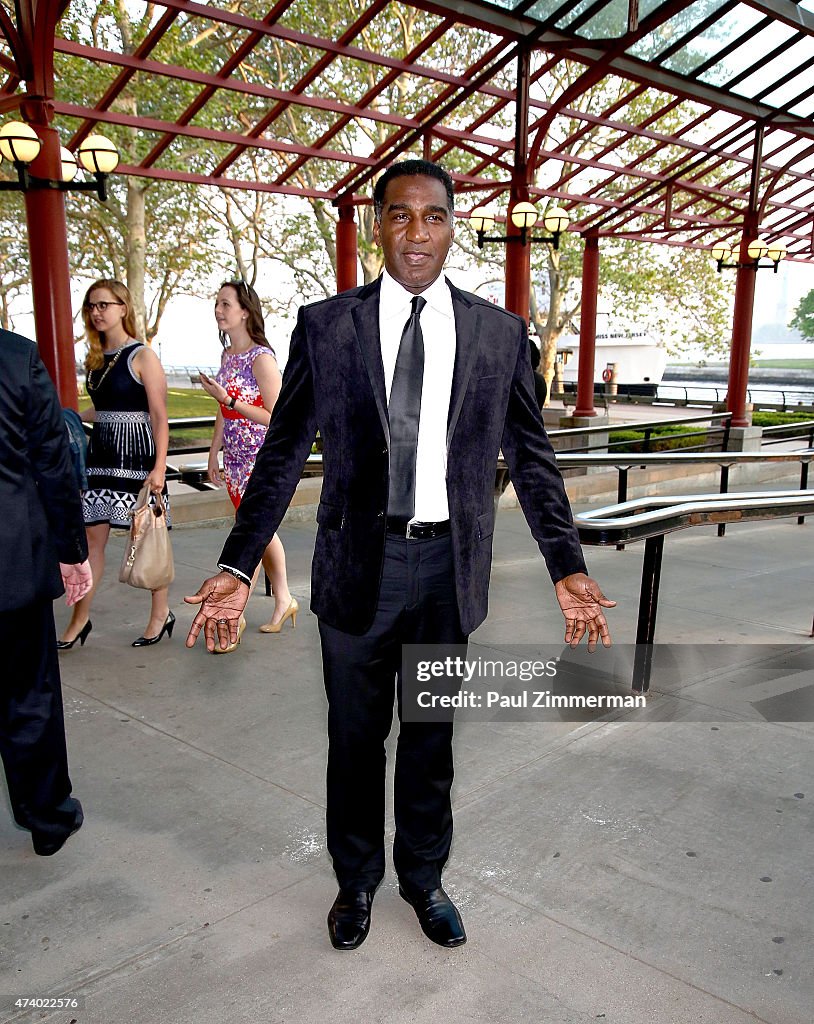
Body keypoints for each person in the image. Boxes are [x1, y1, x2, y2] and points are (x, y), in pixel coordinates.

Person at [184, 160, 615, 951]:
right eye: (400, 216)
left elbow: (532, 454)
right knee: (354, 743)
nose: (417, 233)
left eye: (434, 217)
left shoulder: (498, 331)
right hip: (359, 571)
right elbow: (281, 454)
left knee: (430, 738)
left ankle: (423, 877)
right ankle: (355, 883)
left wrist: (568, 564)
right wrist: (238, 565)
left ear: (455, 225)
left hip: (447, 573)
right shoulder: (327, 326)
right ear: (377, 224)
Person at [0, 328, 92, 856]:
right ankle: (47, 817)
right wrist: (71, 549)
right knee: (28, 695)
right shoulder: (15, 357)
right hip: (11, 561)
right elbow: (53, 460)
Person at [59, 279, 174, 649]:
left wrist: (159, 468)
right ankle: (80, 619)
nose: (96, 312)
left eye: (104, 305)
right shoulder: (94, 359)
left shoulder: (142, 356)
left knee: (148, 535)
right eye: (91, 306)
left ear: (123, 307)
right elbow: (105, 408)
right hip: (101, 457)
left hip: (138, 458)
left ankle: (160, 613)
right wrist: (71, 415)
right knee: (92, 541)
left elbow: (159, 416)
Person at [197, 279, 295, 648]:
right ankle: (283, 598)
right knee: (256, 528)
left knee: (253, 530)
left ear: (244, 311)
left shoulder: (261, 358)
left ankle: (232, 615)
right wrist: (213, 452)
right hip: (234, 457)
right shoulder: (227, 358)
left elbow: (278, 416)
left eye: (226, 304)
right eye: (217, 304)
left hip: (259, 456)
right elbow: (222, 412)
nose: (219, 310)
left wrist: (231, 400)